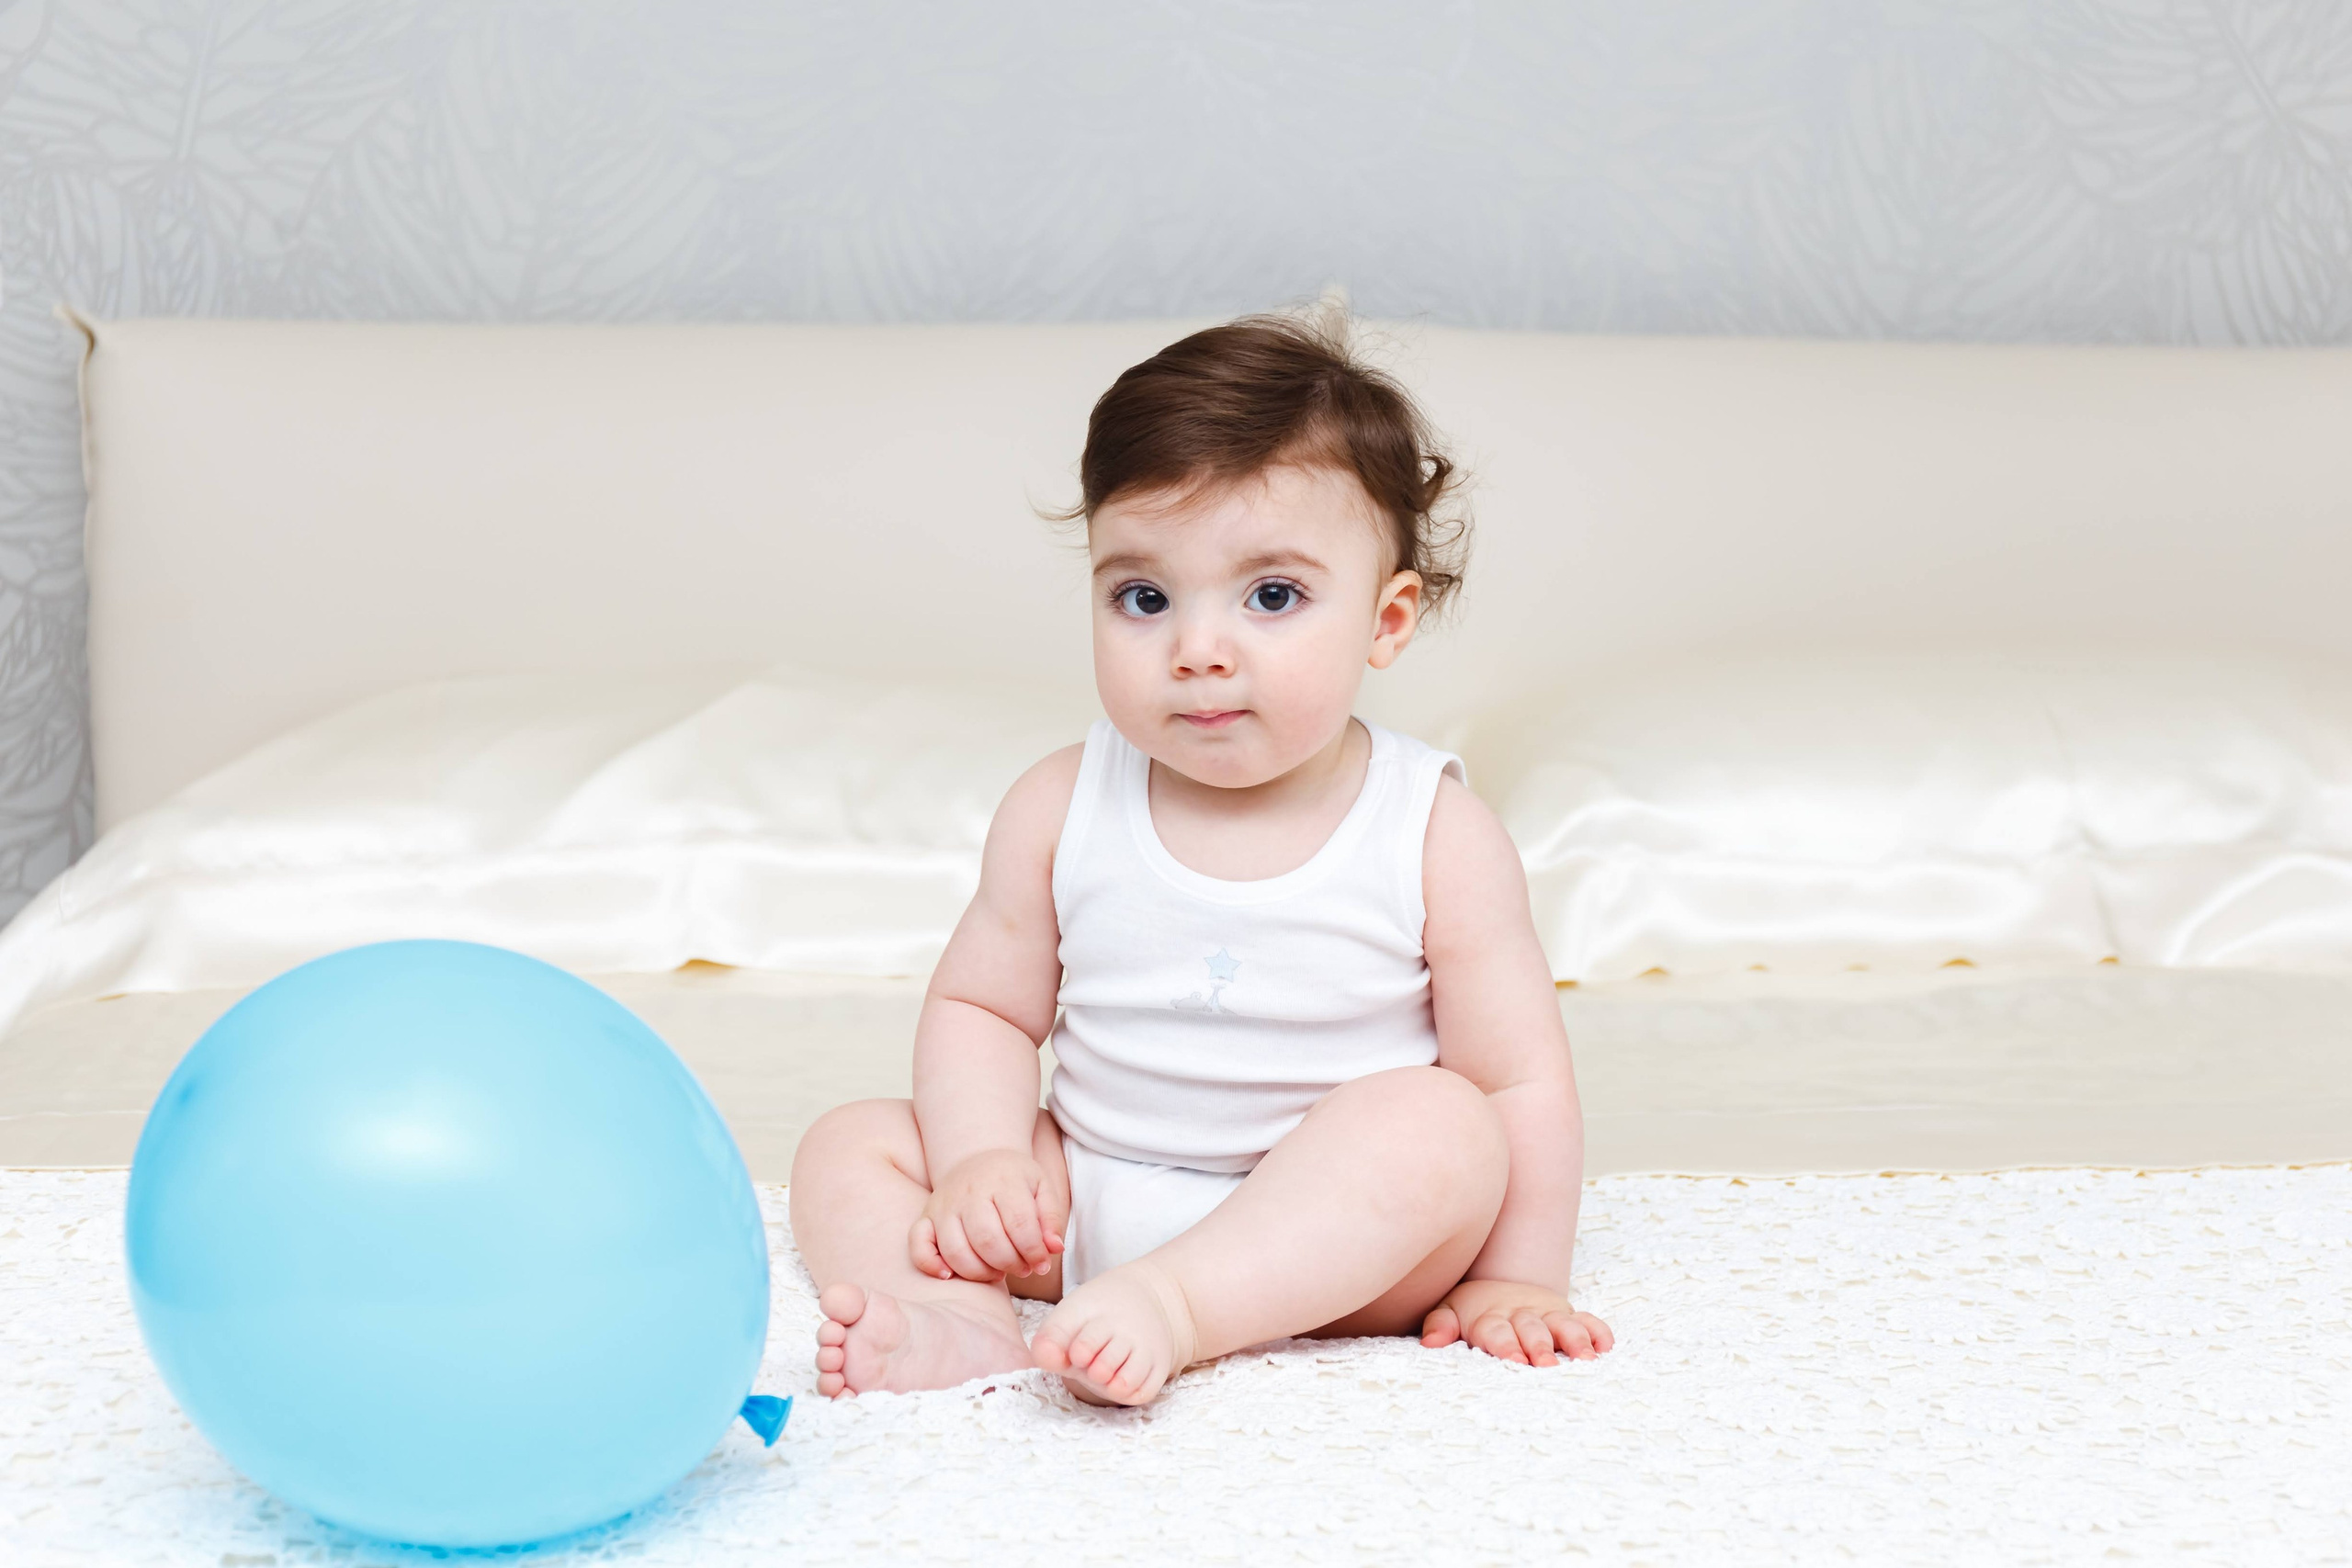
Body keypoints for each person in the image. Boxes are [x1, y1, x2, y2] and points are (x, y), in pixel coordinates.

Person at [788, 313, 1613, 1406]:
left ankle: (1177, 1310)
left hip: (1334, 1250)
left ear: (1388, 618)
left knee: (1438, 1124)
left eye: (1272, 596)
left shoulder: (1430, 831)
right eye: (1143, 597)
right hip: (1081, 1201)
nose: (1198, 650)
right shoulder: (1058, 804)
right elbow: (984, 1012)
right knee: (850, 1148)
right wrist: (988, 1161)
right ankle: (965, 1323)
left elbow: (1516, 1079)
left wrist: (1517, 1277)